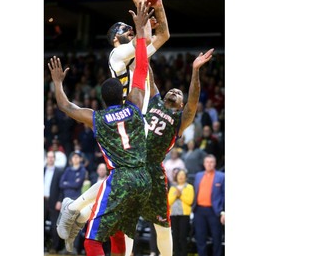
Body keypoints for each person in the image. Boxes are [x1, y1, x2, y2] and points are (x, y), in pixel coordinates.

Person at [60, 48, 215, 256]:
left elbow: (193, 100)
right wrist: (144, 44)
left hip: (151, 169)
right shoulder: (154, 101)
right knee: (122, 215)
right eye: (173, 90)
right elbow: (146, 70)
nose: (175, 92)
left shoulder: (180, 120)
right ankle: (77, 213)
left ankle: (78, 213)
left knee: (162, 226)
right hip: (131, 161)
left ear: (180, 105)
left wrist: (195, 71)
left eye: (179, 94)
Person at [49, 0, 154, 256]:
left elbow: (66, 107)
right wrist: (141, 32)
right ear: (124, 94)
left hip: (119, 178)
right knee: (119, 234)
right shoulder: (135, 107)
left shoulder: (97, 118)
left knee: (92, 242)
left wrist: (57, 83)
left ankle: (76, 212)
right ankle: (77, 211)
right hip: (143, 179)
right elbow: (141, 67)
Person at [107, 0, 170, 114]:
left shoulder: (137, 54)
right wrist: (141, 4)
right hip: (125, 116)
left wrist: (158, 6)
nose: (130, 28)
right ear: (115, 38)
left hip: (139, 117)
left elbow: (163, 35)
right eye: (124, 28)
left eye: (130, 27)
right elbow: (145, 39)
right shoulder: (116, 54)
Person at [193, 154, 225, 256]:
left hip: (214, 211)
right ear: (204, 164)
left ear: (215, 164)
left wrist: (224, 212)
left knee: (216, 237)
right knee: (200, 237)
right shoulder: (198, 175)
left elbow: (225, 195)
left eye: (211, 162)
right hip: (199, 210)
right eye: (207, 162)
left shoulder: (221, 176)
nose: (209, 164)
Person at [168, 169, 194, 256]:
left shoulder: (189, 187)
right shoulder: (172, 187)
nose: (181, 176)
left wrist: (180, 195)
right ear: (176, 177)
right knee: (174, 236)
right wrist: (176, 195)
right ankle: (176, 253)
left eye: (182, 175)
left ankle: (183, 254)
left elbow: (189, 201)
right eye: (179, 175)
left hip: (184, 215)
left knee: (183, 236)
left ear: (186, 177)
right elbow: (169, 201)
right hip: (173, 214)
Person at [44, 151, 64, 254]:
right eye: (49, 157)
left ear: (54, 159)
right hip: (43, 200)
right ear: (46, 158)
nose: (50, 159)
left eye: (52, 157)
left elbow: (61, 188)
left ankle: (55, 247)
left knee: (54, 225)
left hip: (53, 201)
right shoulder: (42, 170)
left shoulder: (59, 171)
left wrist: (59, 201)